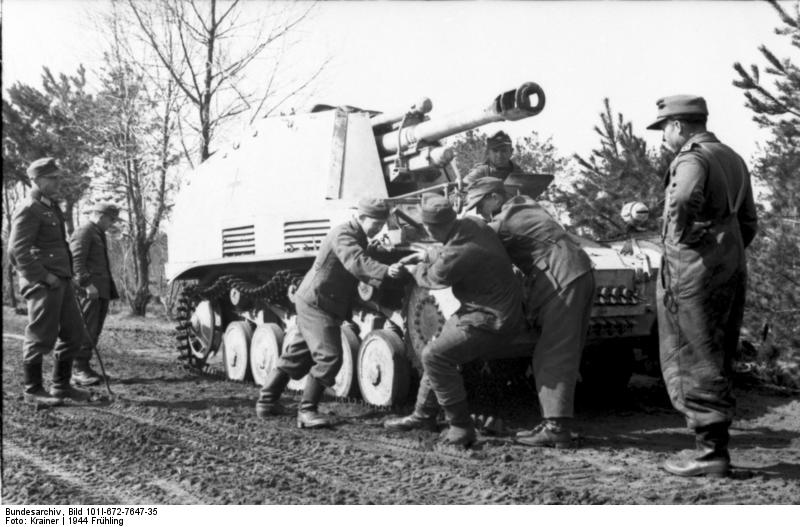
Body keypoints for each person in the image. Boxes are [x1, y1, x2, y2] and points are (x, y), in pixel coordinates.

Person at [646, 95, 757, 477]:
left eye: (664, 129)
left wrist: (681, 243)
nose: (664, 138)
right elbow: (749, 223)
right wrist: (723, 251)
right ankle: (715, 448)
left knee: (690, 355)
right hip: (729, 268)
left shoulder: (692, 158)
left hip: (692, 273)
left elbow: (680, 198)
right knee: (717, 353)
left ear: (678, 126)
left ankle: (709, 454)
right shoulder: (733, 158)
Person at [384, 194, 525, 447]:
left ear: (428, 227)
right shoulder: (472, 224)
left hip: (490, 318)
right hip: (487, 310)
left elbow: (435, 277)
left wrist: (412, 269)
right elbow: (448, 248)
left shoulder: (458, 251)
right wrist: (425, 255)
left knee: (435, 356)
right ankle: (423, 415)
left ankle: (460, 426)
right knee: (435, 349)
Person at [464, 177, 595, 448]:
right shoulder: (524, 204)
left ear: (494, 198)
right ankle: (556, 424)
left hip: (561, 275)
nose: (479, 212)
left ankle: (556, 429)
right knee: (565, 349)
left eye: (479, 205)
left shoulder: (504, 221)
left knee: (552, 351)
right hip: (578, 270)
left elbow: (473, 245)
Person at [255, 197, 406, 428]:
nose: (378, 228)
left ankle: (266, 403)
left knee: (297, 354)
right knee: (330, 356)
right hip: (318, 304)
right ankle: (306, 412)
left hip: (319, 302)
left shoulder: (358, 236)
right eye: (375, 224)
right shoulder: (343, 234)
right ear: (361, 217)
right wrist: (387, 271)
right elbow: (356, 262)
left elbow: (361, 254)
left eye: (381, 224)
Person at [8, 158, 95, 406]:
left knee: (74, 333)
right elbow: (16, 252)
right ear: (36, 180)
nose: (58, 181)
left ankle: (61, 386)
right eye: (52, 178)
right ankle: (33, 389)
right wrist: (44, 277)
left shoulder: (50, 206)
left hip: (62, 280)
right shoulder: (29, 208)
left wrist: (68, 277)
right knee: (40, 335)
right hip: (43, 282)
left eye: (58, 176)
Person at [59, 202, 121, 386]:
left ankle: (84, 366)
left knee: (94, 330)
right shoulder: (84, 231)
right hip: (89, 290)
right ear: (101, 216)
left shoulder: (97, 232)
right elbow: (76, 261)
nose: (111, 224)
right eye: (111, 219)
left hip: (100, 289)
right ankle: (78, 369)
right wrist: (87, 284)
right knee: (85, 328)